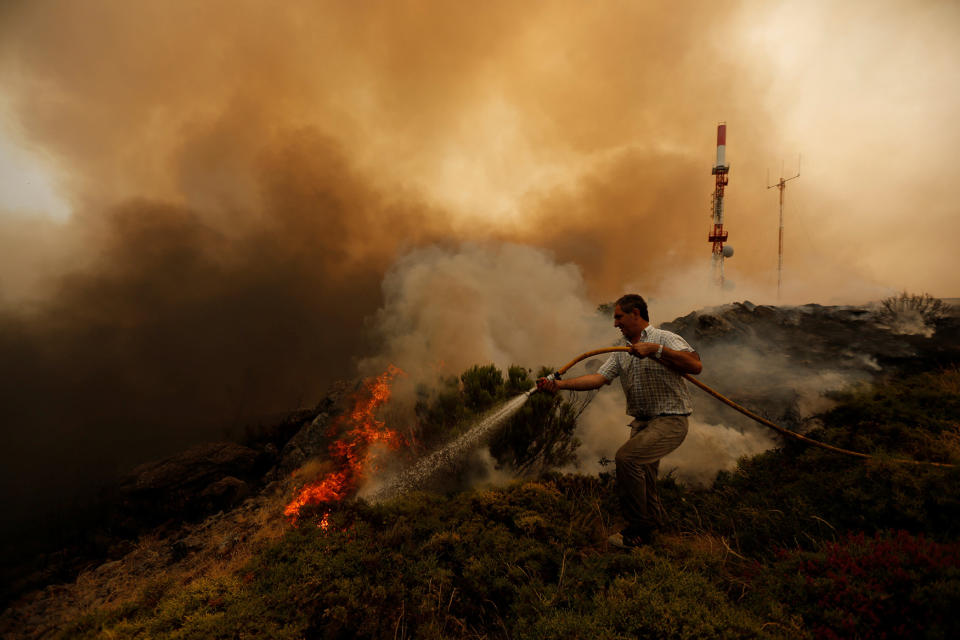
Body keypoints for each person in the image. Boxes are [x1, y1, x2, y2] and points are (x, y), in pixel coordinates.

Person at [536, 294, 702, 548]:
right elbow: (598, 379)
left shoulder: (665, 338)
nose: (615, 324)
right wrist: (558, 385)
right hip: (642, 423)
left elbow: (695, 365)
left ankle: (637, 530)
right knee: (644, 476)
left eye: (619, 317)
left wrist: (655, 350)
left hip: (671, 420)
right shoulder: (621, 351)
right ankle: (653, 531)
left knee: (628, 459)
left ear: (636, 313)